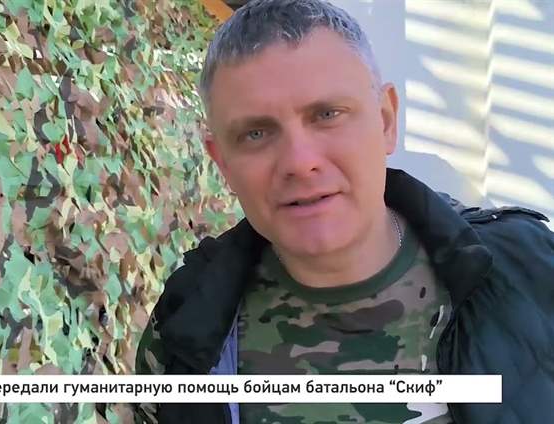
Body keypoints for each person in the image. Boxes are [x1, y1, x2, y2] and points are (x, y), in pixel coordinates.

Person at [134, 0, 554, 423]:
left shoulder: (532, 273)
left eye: (327, 115)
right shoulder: (184, 337)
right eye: (256, 133)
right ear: (223, 161)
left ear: (385, 120)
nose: (300, 162)